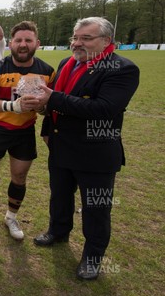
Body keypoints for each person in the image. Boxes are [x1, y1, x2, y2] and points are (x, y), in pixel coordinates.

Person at [33, 17, 140, 280]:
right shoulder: (66, 63)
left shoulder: (121, 68)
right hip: (61, 146)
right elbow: (57, 101)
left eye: (86, 38)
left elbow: (104, 109)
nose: (77, 43)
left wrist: (53, 98)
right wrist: (46, 123)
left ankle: (92, 257)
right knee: (59, 196)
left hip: (96, 153)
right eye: (75, 37)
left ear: (106, 41)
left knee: (96, 208)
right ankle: (58, 231)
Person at [0, 21, 55, 240]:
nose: (23, 44)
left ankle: (11, 217)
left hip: (25, 132)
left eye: (28, 40)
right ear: (11, 44)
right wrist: (12, 106)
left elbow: (52, 107)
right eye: (18, 40)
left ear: (37, 43)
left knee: (19, 177)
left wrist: (42, 107)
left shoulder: (47, 72)